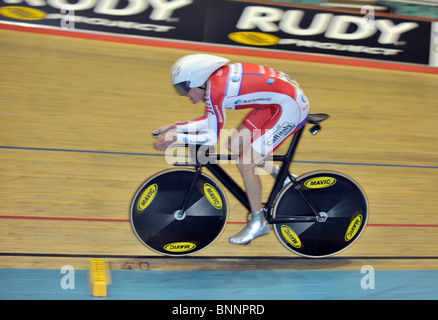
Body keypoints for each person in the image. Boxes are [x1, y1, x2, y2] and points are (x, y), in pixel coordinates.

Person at [153, 54, 310, 245]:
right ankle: (281, 176)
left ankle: (258, 221)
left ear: (198, 80)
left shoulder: (217, 90)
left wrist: (177, 136)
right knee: (234, 145)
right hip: (276, 103)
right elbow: (210, 120)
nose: (183, 94)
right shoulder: (214, 83)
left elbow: (211, 136)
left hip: (291, 107)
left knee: (246, 162)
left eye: (183, 88)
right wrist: (174, 126)